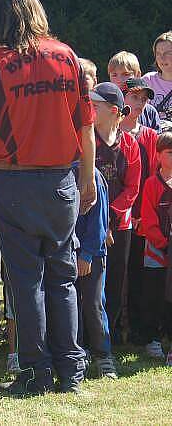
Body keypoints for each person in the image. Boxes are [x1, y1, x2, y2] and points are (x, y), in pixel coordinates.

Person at [0, 0, 96, 395]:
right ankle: (71, 370)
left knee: (26, 280)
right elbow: (85, 126)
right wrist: (87, 177)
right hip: (61, 181)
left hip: (14, 180)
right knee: (62, 276)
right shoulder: (67, 56)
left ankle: (36, 371)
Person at [91, 82, 141, 343]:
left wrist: (109, 217)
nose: (90, 109)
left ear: (112, 110)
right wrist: (98, 221)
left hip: (119, 225)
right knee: (87, 281)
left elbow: (132, 188)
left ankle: (110, 337)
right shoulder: (86, 140)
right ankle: (88, 337)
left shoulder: (130, 144)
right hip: (88, 223)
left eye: (95, 106)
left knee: (115, 280)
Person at [119, 78, 158, 342]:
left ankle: (137, 332)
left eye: (143, 99)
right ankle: (108, 333)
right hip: (115, 215)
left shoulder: (151, 136)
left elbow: (154, 176)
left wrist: (146, 214)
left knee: (138, 274)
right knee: (113, 275)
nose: (139, 103)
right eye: (134, 97)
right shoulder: (110, 133)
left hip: (142, 216)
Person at [74, 166, 116, 378]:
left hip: (92, 252)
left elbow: (99, 220)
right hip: (67, 251)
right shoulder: (60, 171)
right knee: (70, 305)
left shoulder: (93, 176)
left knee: (93, 304)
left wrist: (87, 254)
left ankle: (103, 356)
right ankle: (77, 354)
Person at [139, 131, 172, 364]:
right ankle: (153, 339)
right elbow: (147, 219)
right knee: (154, 295)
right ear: (159, 155)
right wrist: (163, 243)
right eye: (170, 153)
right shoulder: (151, 183)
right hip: (156, 251)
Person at [108, 51, 160, 131]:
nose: (119, 80)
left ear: (138, 75)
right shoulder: (105, 107)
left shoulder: (149, 111)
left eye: (125, 74)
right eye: (114, 75)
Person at [143, 31, 172, 125]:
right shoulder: (148, 80)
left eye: (167, 53)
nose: (162, 58)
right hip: (152, 137)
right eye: (158, 53)